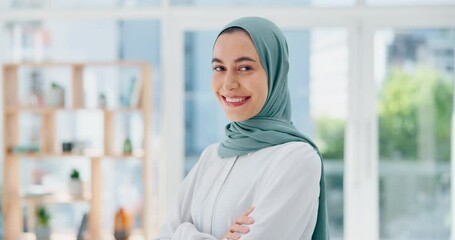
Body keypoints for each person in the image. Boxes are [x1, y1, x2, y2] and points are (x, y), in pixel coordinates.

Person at [156, 16, 329, 240]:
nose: (228, 83)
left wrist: (184, 232)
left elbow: (174, 232)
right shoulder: (212, 156)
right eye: (219, 67)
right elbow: (164, 234)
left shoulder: (296, 159)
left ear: (275, 71)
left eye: (245, 67)